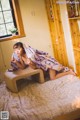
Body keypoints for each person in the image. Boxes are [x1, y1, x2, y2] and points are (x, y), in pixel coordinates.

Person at [9, 42, 76, 80]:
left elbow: (34, 67)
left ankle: (69, 72)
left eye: (19, 49)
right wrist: (16, 62)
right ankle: (60, 71)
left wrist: (30, 63)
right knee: (43, 76)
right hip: (43, 66)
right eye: (15, 50)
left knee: (53, 78)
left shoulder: (30, 56)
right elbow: (23, 67)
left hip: (48, 63)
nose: (16, 52)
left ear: (23, 49)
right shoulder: (20, 56)